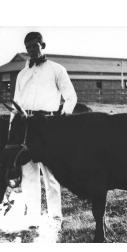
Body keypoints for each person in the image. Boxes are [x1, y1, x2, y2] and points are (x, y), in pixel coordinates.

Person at [0, 32, 77, 231]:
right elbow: (16, 105)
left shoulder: (57, 69)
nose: (32, 50)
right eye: (28, 47)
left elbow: (71, 97)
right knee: (28, 172)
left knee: (50, 173)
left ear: (42, 45)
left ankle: (55, 218)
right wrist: (12, 128)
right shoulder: (22, 74)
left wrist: (62, 118)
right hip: (25, 125)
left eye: (35, 45)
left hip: (47, 124)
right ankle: (33, 217)